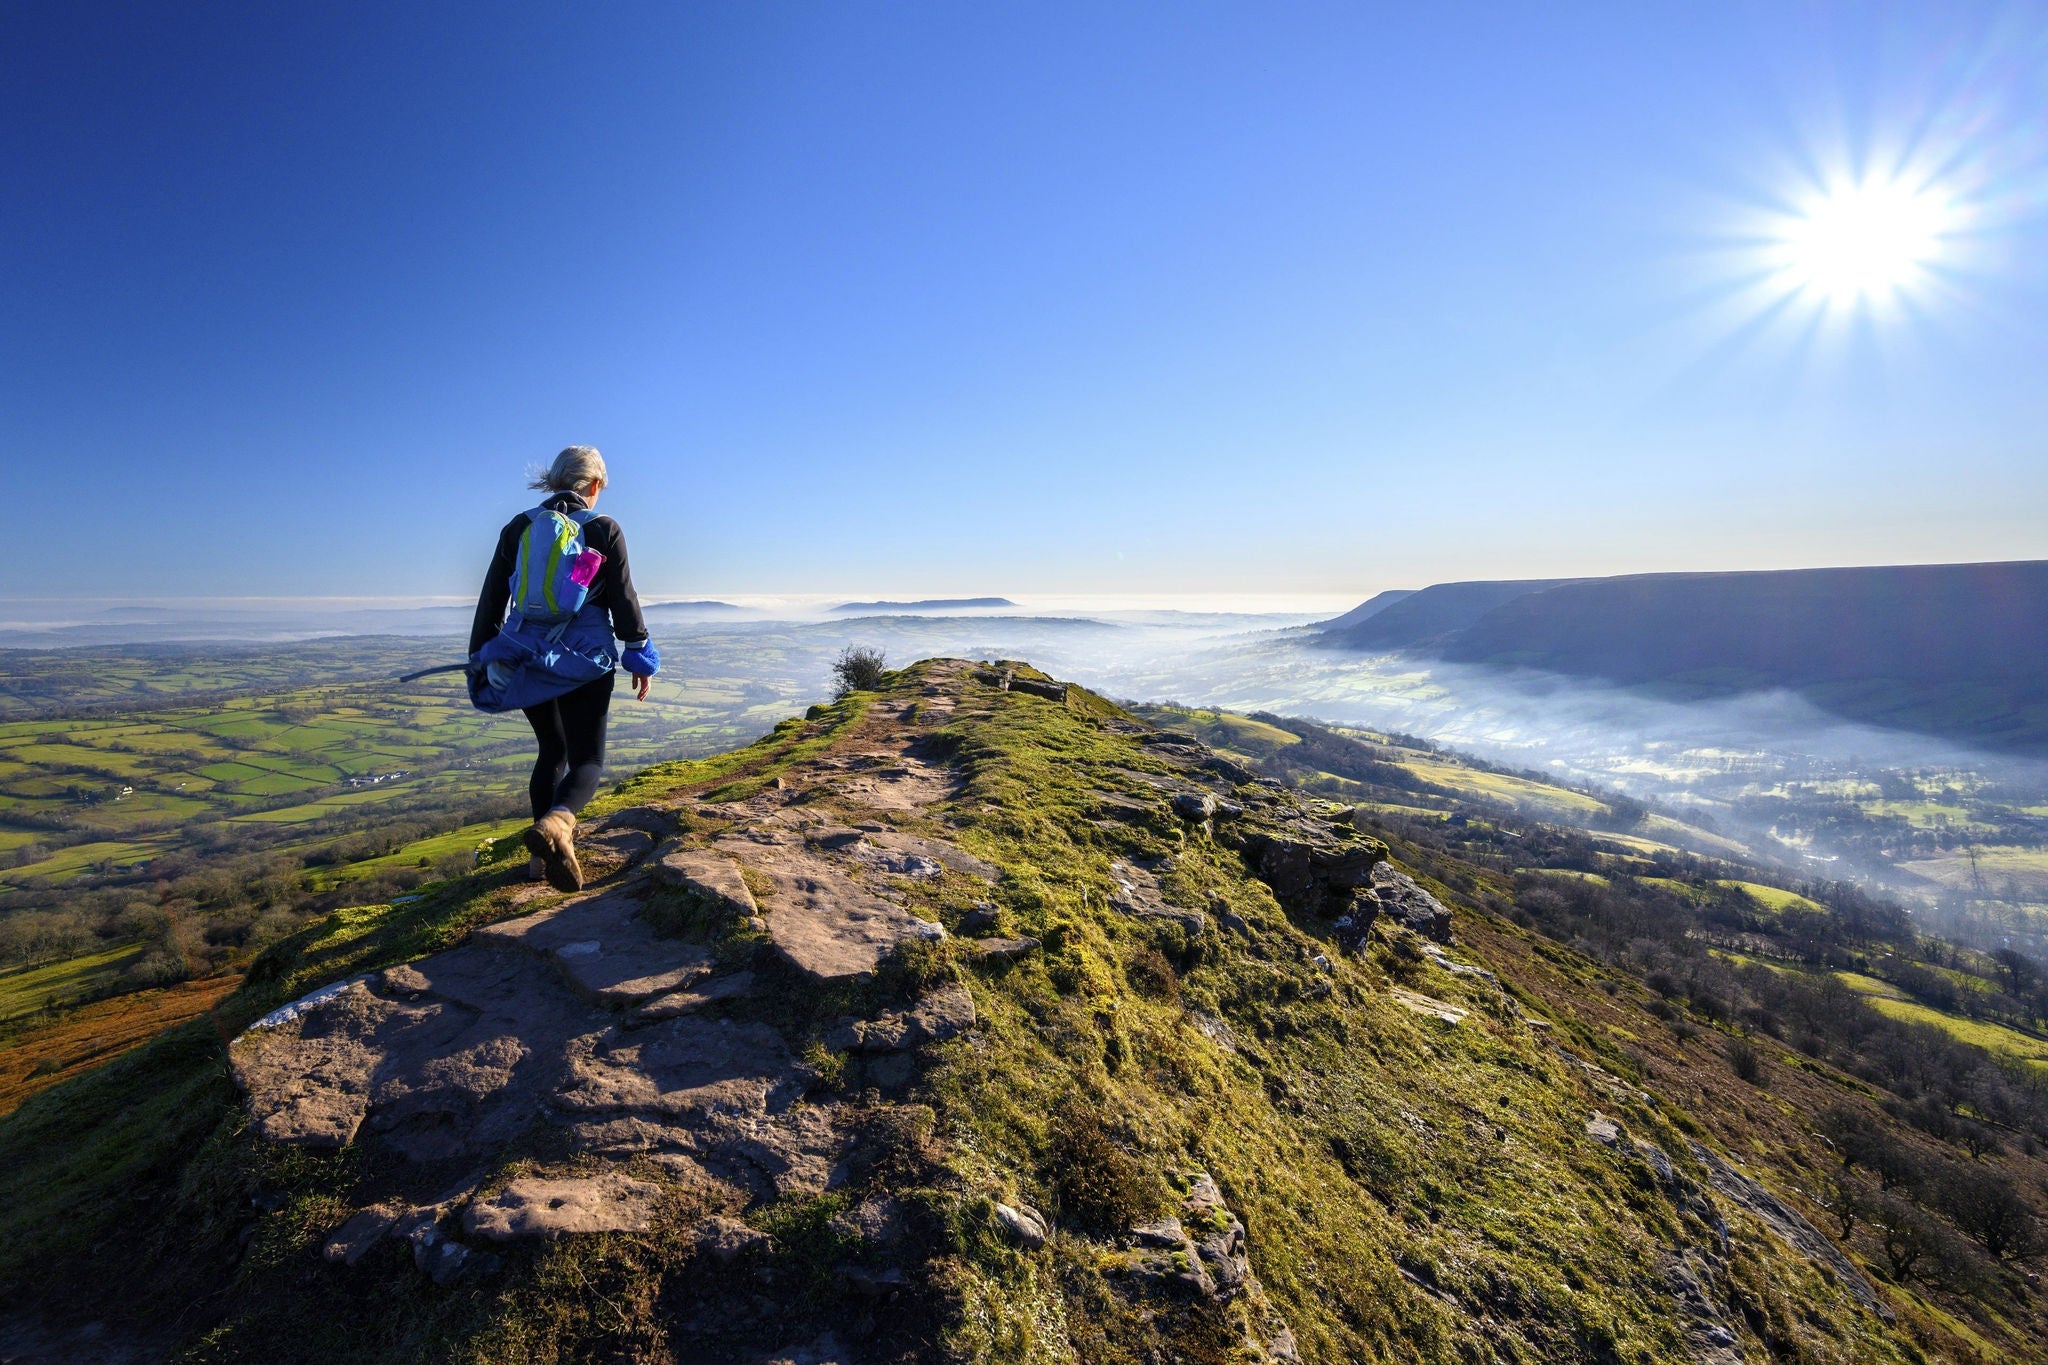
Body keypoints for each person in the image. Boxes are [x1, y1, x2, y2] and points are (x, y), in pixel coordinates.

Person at [468, 446, 660, 891]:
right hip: (583, 662)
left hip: (527, 655)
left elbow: (492, 599)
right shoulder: (603, 528)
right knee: (587, 758)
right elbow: (624, 601)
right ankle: (558, 825)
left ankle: (540, 864)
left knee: (551, 750)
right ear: (593, 486)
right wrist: (638, 654)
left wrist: (484, 657)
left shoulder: (519, 528)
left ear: (554, 482)